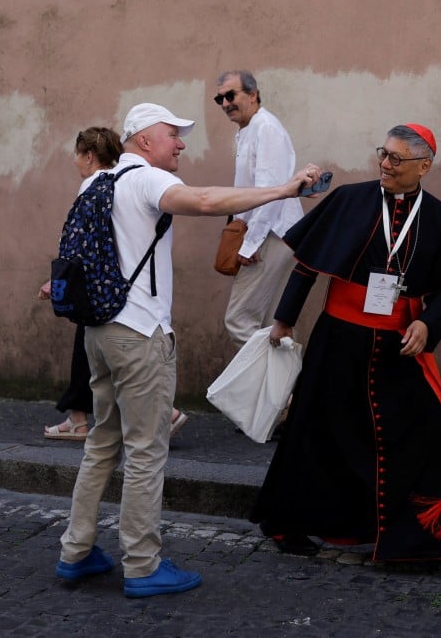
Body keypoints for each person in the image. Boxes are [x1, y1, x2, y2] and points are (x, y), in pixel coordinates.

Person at [55, 102, 325, 597]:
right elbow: (202, 200)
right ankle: (142, 564)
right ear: (142, 140)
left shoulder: (95, 182)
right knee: (145, 450)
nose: (181, 143)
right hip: (138, 335)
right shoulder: (144, 179)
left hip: (98, 333)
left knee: (102, 441)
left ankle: (76, 550)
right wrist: (285, 190)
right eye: (171, 134)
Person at [249, 124, 441, 564]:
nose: (385, 164)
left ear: (424, 167)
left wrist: (429, 325)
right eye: (384, 154)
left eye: (396, 159)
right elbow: (306, 266)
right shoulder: (350, 200)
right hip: (338, 340)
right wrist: (283, 321)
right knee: (314, 432)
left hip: (398, 346)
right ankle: (287, 524)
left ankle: (426, 534)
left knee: (421, 434)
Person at [38, 128, 186, 440]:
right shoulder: (124, 181)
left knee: (126, 442)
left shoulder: (94, 185)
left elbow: (81, 246)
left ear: (89, 155)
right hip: (122, 299)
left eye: (78, 155)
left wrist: (60, 278)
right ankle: (84, 417)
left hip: (106, 298)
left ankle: (89, 419)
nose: (76, 161)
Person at [214, 70, 303, 348]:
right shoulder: (251, 129)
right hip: (274, 234)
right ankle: (283, 388)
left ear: (253, 95)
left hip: (270, 234)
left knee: (239, 320)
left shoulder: (265, 127)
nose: (226, 103)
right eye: (220, 98)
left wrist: (250, 243)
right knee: (273, 324)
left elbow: (271, 191)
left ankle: (266, 385)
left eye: (231, 95)